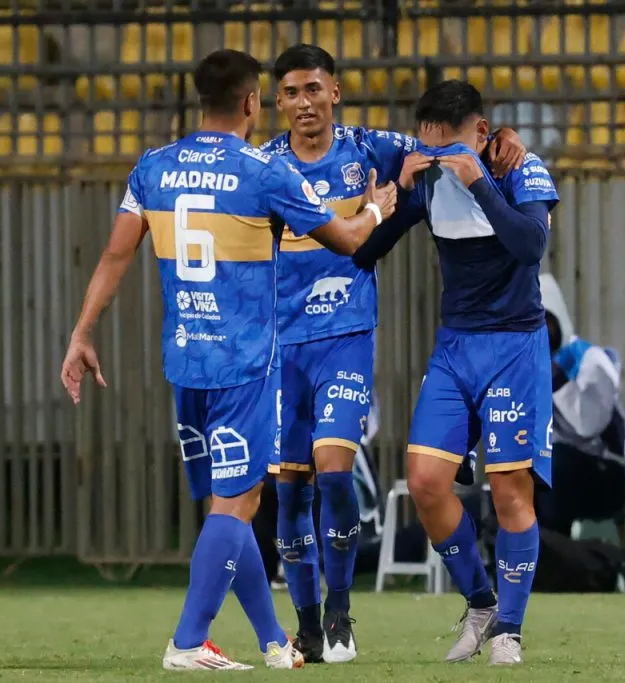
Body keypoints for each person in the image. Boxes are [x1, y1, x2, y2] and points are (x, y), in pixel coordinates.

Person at [60, 49, 398, 671]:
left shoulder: (153, 168)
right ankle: (188, 642)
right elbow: (350, 240)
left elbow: (113, 256)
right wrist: (380, 206)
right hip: (244, 362)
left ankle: (273, 641)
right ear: (251, 102)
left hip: (185, 362)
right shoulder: (261, 170)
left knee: (228, 505)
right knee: (237, 507)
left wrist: (83, 331)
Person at [258, 44, 526, 663]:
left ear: (336, 92)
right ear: (278, 101)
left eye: (315, 89)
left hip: (345, 338)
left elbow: (447, 145)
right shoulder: (261, 164)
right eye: (293, 92)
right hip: (279, 346)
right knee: (291, 494)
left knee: (334, 470)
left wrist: (502, 136)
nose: (305, 102)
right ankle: (305, 628)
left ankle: (341, 613)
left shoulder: (367, 147)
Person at [354, 80, 559, 666]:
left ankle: (509, 632)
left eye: (450, 149)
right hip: (454, 348)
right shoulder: (427, 180)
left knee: (510, 489)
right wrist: (399, 192)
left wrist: (480, 184)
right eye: (431, 148)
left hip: (515, 347)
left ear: (481, 132)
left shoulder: (520, 169)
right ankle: (480, 603)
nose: (440, 159)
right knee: (424, 481)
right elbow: (367, 253)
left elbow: (529, 245)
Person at [536, 274, 625, 537]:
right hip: (553, 469)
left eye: (544, 320)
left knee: (552, 465)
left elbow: (587, 425)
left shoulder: (590, 359)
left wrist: (556, 379)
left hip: (602, 473)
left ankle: (554, 560)